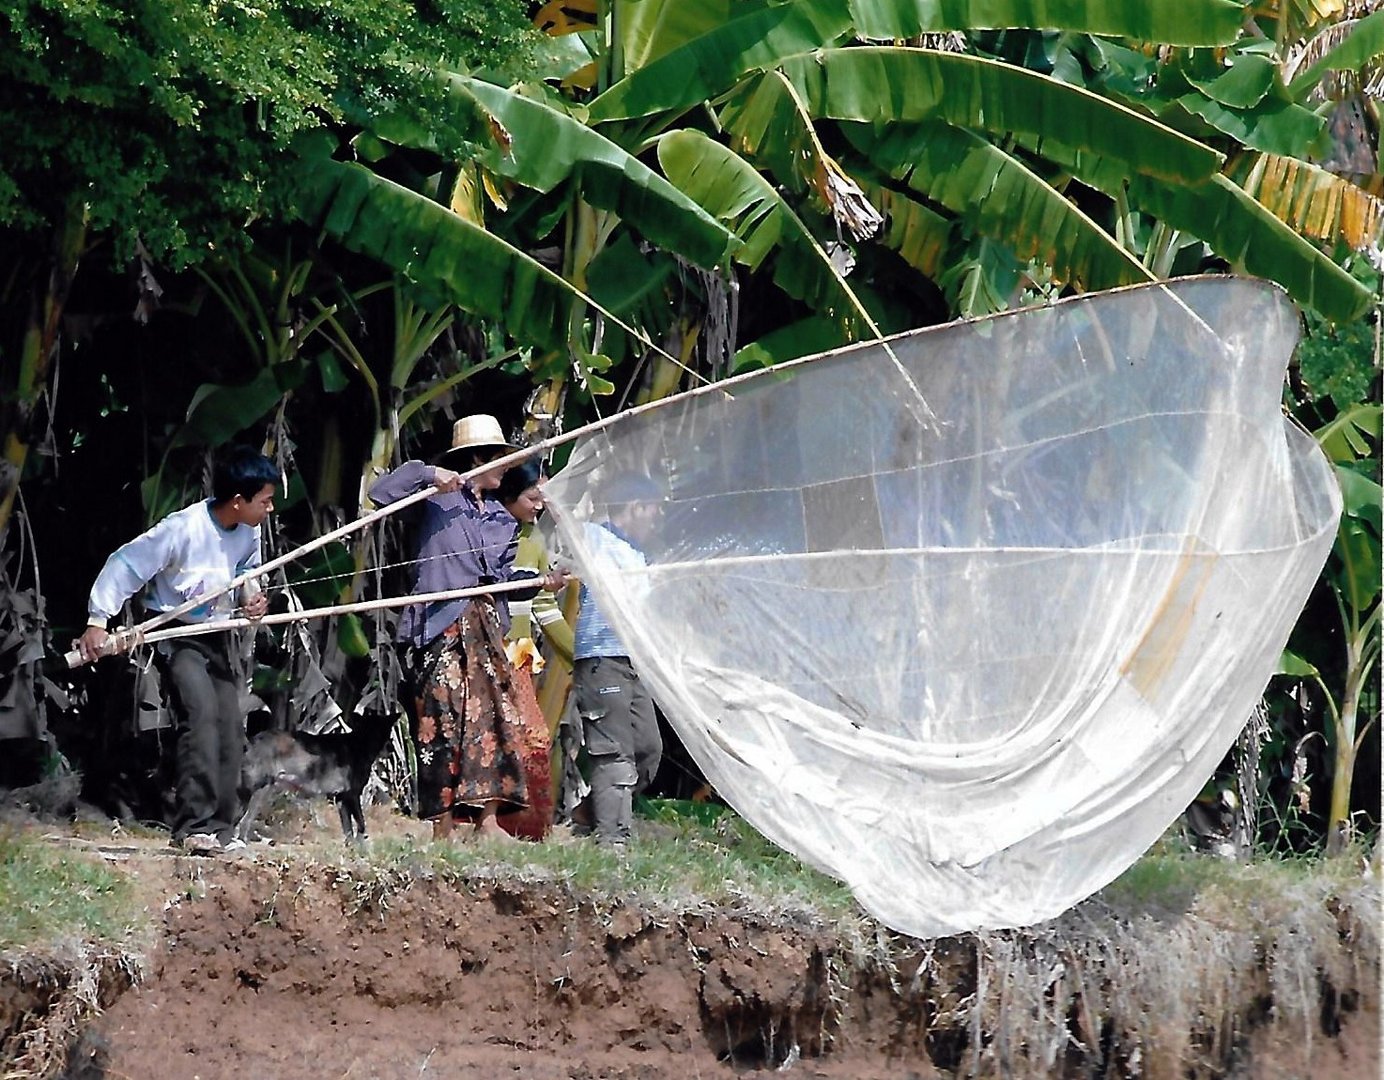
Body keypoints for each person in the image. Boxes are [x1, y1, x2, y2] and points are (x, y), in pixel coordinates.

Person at [368, 414, 562, 843]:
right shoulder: (435, 500)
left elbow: (501, 581)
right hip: (439, 626)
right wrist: (431, 474)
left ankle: (487, 821)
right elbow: (380, 493)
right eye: (496, 460)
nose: (504, 469)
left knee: (495, 719)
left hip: (487, 629)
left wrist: (538, 583)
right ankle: (442, 827)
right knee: (443, 721)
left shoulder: (500, 518)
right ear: (477, 459)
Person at [77, 447, 278, 855]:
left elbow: (246, 574)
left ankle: (223, 827)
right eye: (266, 501)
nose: (270, 509)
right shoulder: (182, 529)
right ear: (238, 502)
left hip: (216, 633)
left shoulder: (248, 530)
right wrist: (98, 620)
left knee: (227, 719)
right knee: (200, 714)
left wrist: (252, 599)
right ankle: (193, 826)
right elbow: (127, 565)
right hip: (174, 633)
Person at [570, 473, 663, 848]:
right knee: (614, 751)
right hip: (600, 657)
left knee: (647, 748)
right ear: (635, 508)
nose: (656, 520)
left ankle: (590, 811)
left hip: (632, 662)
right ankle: (613, 840)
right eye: (653, 510)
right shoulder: (594, 538)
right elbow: (564, 521)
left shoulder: (639, 555)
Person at [494, 459, 573, 840]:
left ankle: (522, 826)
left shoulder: (536, 539)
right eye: (531, 497)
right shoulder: (491, 531)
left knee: (532, 737)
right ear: (509, 495)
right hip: (489, 645)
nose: (539, 506)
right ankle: (476, 821)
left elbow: (543, 607)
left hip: (520, 655)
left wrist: (578, 653)